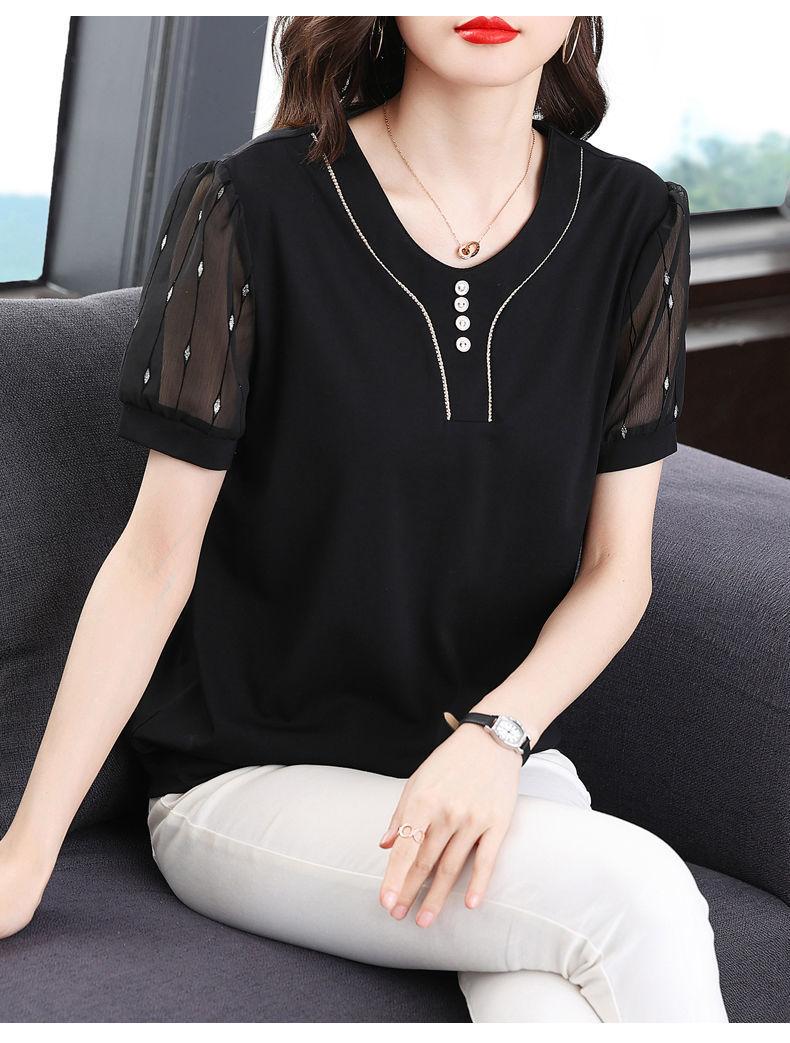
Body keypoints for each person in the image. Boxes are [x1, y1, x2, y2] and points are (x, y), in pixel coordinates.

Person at [0, 15, 729, 1023]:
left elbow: (618, 569)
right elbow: (153, 559)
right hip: (252, 779)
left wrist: (498, 734)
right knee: (638, 897)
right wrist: (26, 850)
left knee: (553, 1003)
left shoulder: (635, 222)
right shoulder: (252, 206)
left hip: (494, 764)